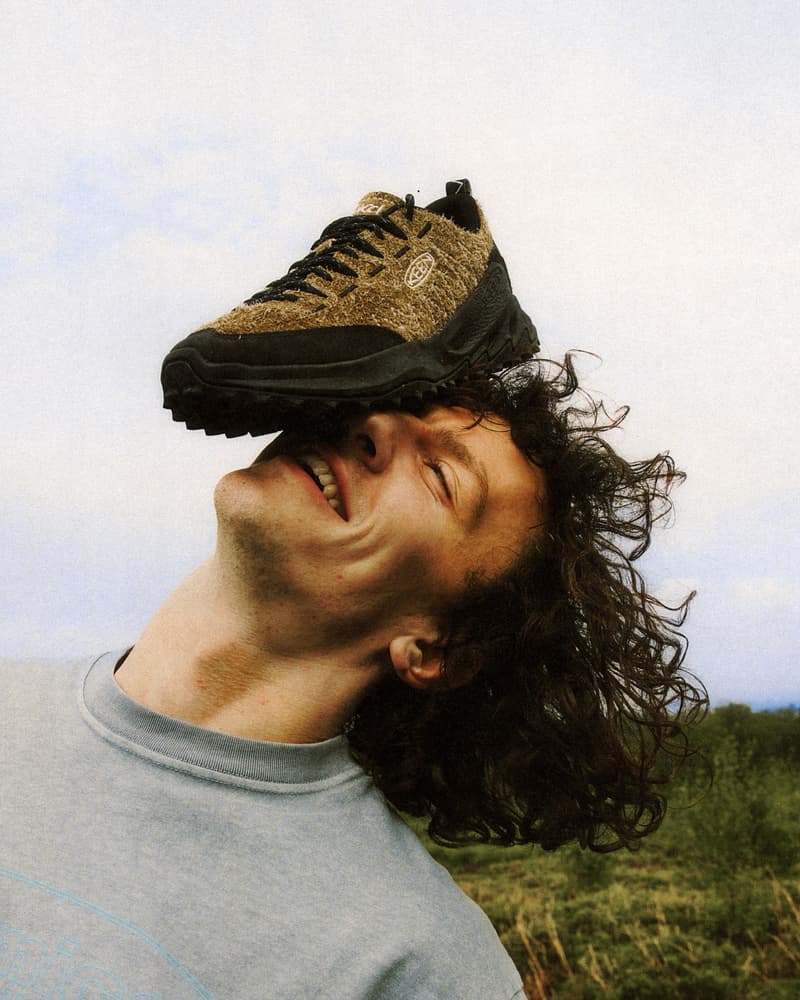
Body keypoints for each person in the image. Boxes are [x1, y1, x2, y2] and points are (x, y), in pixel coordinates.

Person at [2, 182, 704, 998]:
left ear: (436, 647)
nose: (371, 426)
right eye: (383, 400)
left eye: (441, 476)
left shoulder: (421, 963)